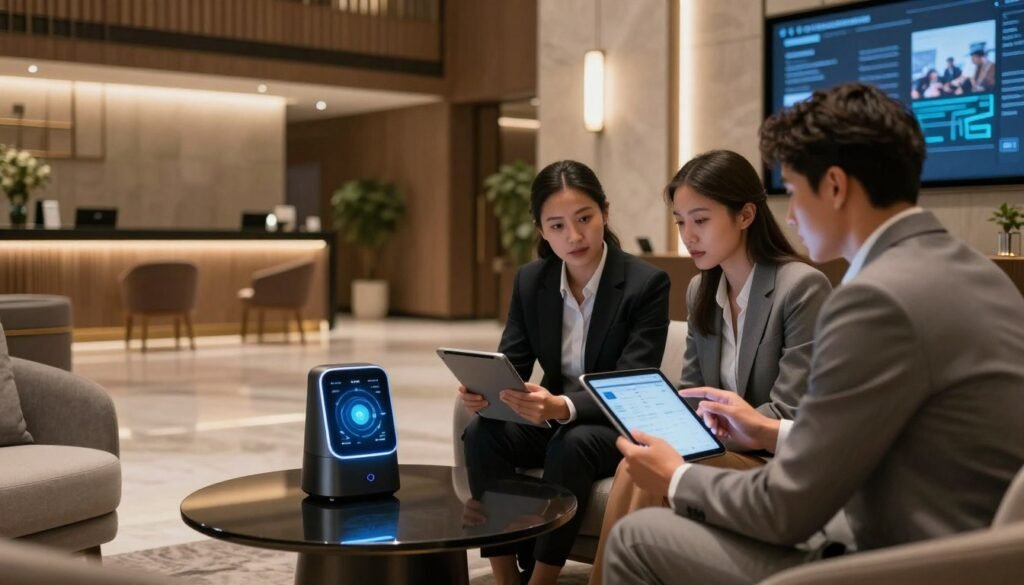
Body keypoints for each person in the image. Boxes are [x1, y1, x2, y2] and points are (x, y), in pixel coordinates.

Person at [604, 82, 1024, 584]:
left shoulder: (874, 299)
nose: (793, 214)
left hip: (903, 560)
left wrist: (679, 477)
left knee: (637, 538)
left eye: (794, 190)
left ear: (835, 186)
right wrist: (766, 429)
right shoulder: (982, 274)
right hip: (983, 550)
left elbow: (786, 509)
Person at [587, 150, 831, 585]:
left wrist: (724, 421)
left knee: (645, 473)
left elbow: (792, 411)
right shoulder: (702, 288)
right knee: (636, 464)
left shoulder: (801, 288)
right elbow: (692, 389)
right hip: (717, 449)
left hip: (771, 461)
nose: (687, 235)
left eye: (700, 220)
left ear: (745, 215)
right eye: (680, 222)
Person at [460, 159, 670, 585]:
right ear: (540, 230)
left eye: (584, 219)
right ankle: (505, 576)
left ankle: (542, 578)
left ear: (605, 213)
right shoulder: (531, 281)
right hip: (551, 415)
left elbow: (632, 382)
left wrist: (563, 406)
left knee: (571, 443)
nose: (573, 236)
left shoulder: (645, 283)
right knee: (481, 434)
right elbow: (513, 361)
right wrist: (485, 388)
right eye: (556, 226)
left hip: (613, 422)